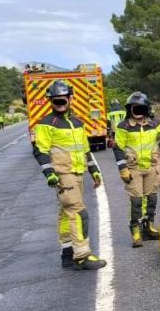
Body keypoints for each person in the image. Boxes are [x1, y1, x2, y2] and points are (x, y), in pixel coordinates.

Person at [33, 80, 107, 270]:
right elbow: (40, 150)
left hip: (77, 174)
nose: (60, 102)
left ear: (70, 98)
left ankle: (67, 254)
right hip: (63, 175)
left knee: (66, 215)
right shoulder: (47, 124)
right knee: (78, 212)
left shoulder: (77, 123)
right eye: (56, 99)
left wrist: (94, 170)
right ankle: (82, 255)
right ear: (51, 101)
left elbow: (85, 150)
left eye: (63, 98)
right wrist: (48, 172)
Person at [113, 92, 160, 248]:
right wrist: (123, 169)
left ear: (147, 109)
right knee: (136, 200)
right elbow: (118, 148)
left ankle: (148, 227)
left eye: (141, 108)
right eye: (134, 108)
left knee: (152, 198)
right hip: (133, 169)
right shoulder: (124, 126)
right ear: (130, 109)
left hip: (151, 167)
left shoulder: (155, 123)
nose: (138, 111)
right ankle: (136, 230)